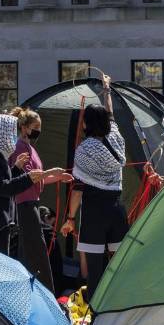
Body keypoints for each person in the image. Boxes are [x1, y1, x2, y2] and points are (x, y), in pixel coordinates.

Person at [61, 75, 129, 294]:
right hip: (117, 209)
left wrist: (70, 218)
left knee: (95, 269)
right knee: (119, 267)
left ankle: (95, 315)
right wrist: (107, 90)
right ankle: (119, 307)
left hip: (94, 212)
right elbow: (110, 115)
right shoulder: (117, 138)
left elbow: (78, 189)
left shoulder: (85, 150)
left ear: (86, 123)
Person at [0, 114, 55, 255]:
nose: (14, 136)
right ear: (2, 132)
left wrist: (16, 169)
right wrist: (28, 178)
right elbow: (2, 187)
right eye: (11, 132)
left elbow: (1, 181)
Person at [9, 107, 70, 290]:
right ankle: (41, 289)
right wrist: (50, 173)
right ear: (24, 127)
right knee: (35, 250)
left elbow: (39, 177)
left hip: (32, 202)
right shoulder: (19, 146)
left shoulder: (30, 148)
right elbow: (30, 177)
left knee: (32, 249)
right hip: (23, 204)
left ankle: (35, 287)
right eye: (36, 126)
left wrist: (57, 177)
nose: (39, 131)